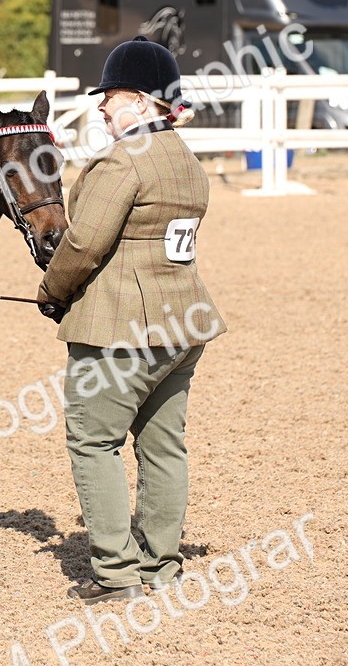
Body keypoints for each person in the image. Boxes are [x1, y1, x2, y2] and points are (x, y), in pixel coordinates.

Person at [37, 36, 226, 604]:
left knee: (93, 442)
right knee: (164, 447)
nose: (101, 106)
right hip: (182, 326)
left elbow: (84, 244)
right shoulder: (187, 162)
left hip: (121, 332)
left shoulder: (123, 161)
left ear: (143, 102)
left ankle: (116, 573)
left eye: (111, 96)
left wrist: (51, 291)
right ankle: (160, 566)